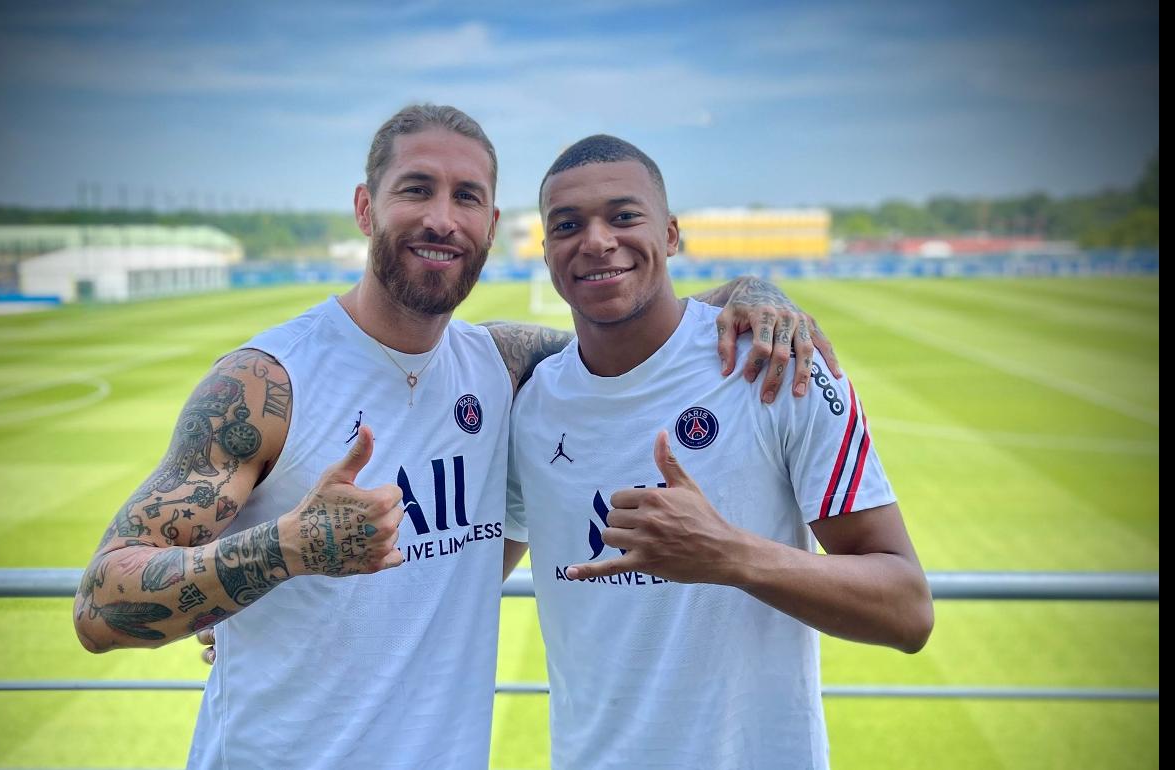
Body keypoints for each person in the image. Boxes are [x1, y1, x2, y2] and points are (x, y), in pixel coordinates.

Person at [72, 105, 832, 769]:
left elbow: (640, 326)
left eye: (466, 196)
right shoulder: (266, 384)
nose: (442, 218)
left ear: (491, 227)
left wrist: (753, 293)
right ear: (366, 208)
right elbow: (99, 607)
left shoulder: (503, 367)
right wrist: (283, 551)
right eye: (416, 189)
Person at [505, 135, 934, 769]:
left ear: (671, 234)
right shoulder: (529, 405)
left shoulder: (779, 364)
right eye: (567, 225)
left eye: (624, 216)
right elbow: (461, 574)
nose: (596, 241)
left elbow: (907, 609)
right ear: (545, 251)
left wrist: (728, 555)